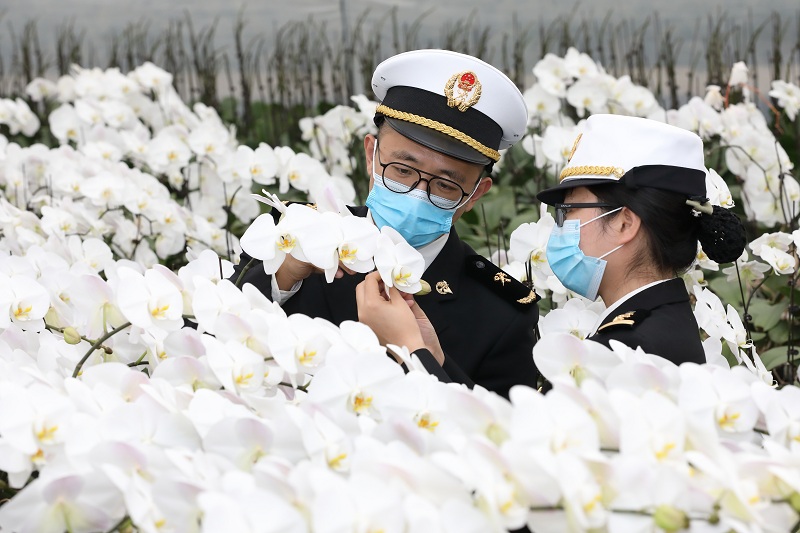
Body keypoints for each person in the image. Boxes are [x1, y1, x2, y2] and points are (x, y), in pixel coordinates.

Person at [233, 49, 540, 398]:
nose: (417, 195)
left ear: (475, 195)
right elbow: (211, 336)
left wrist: (422, 357)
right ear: (370, 155)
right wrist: (282, 278)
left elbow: (501, 436)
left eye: (445, 185)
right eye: (402, 170)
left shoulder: (501, 313)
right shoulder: (294, 233)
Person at [535, 114, 746, 365]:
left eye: (568, 210)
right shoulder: (664, 323)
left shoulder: (623, 351)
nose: (560, 224)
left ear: (625, 223)